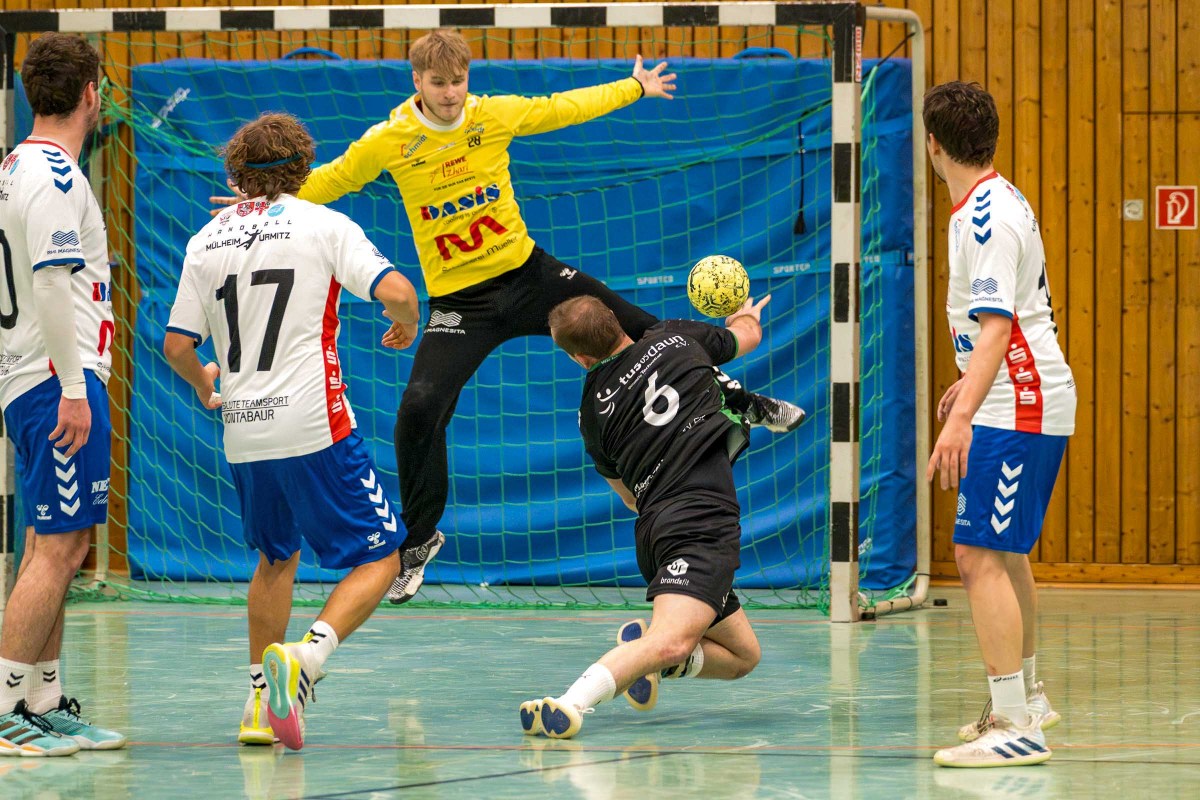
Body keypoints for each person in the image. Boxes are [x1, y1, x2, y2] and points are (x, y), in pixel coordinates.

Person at [213, 29, 804, 606]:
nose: (451, 93)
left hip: (529, 278)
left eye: (459, 80)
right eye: (439, 83)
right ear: (417, 80)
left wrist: (634, 87)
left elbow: (560, 108)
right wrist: (261, 201)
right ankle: (419, 541)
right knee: (418, 411)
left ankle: (742, 401)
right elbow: (333, 177)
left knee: (648, 331)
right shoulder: (391, 139)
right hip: (461, 305)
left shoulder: (490, 115)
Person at [164, 112, 421, 750]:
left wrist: (204, 385)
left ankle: (259, 704)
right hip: (314, 424)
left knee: (275, 558)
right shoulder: (325, 225)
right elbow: (397, 290)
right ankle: (307, 657)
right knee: (383, 556)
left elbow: (176, 346)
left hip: (243, 431)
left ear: (237, 174)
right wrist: (407, 321)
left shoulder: (205, 240)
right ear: (304, 169)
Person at [519, 294, 784, 738]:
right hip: (701, 521)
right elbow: (746, 337)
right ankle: (568, 703)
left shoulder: (590, 413)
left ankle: (649, 663)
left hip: (655, 529)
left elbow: (628, 497)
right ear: (615, 319)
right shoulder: (676, 337)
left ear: (579, 358)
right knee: (671, 642)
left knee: (743, 656)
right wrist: (745, 315)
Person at [923, 81, 1075, 768]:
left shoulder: (987, 218)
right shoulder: (990, 202)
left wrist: (963, 420)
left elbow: (998, 329)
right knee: (1005, 552)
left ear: (934, 145)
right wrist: (969, 387)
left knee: (976, 554)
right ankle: (1029, 699)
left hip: (1020, 405)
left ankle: (1015, 724)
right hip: (1014, 395)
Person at [0, 32, 126, 757]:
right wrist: (73, 388)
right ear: (89, 94)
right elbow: (50, 283)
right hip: (56, 383)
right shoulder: (53, 177)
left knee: (56, 541)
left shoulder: (15, 167)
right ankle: (6, 706)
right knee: (59, 546)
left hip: (36, 378)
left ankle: (41, 701)